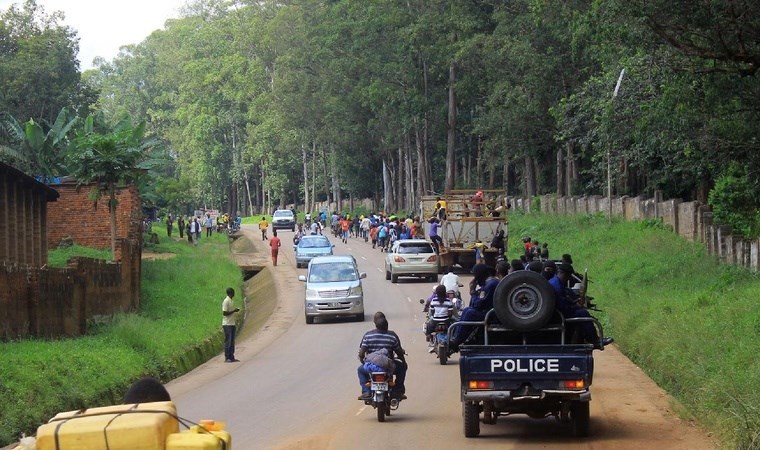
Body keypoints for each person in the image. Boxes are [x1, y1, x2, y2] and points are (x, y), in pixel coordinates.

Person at [549, 264, 613, 349]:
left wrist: (573, 302)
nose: (568, 279)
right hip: (558, 315)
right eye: (568, 276)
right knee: (583, 313)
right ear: (564, 274)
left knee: (581, 311)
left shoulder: (554, 281)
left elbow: (564, 300)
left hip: (555, 311)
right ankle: (594, 340)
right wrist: (576, 306)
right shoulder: (557, 286)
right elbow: (563, 307)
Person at [357, 312, 407, 400]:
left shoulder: (368, 336)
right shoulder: (392, 336)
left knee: (360, 370)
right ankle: (397, 391)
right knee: (402, 368)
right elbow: (398, 351)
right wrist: (404, 362)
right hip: (388, 365)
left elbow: (361, 353)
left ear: (375, 325)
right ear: (387, 326)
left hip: (372, 366)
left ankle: (366, 391)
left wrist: (363, 362)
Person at [449, 264, 500, 351]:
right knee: (467, 310)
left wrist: (473, 292)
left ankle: (457, 340)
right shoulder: (486, 284)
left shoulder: (490, 284)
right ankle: (456, 337)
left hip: (492, 314)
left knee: (470, 313)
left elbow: (478, 305)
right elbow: (474, 304)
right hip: (488, 311)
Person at [424, 285, 455, 352]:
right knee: (454, 327)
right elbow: (450, 313)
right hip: (446, 321)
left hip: (435, 321)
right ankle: (454, 339)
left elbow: (432, 312)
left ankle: (428, 337)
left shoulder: (433, 301)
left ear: (436, 293)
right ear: (445, 292)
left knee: (428, 325)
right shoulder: (448, 301)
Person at [222, 287, 241, 362]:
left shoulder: (231, 301)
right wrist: (234, 311)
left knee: (232, 341)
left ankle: (231, 356)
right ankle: (227, 357)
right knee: (228, 341)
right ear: (231, 293)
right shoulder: (226, 301)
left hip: (232, 323)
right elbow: (224, 313)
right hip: (227, 324)